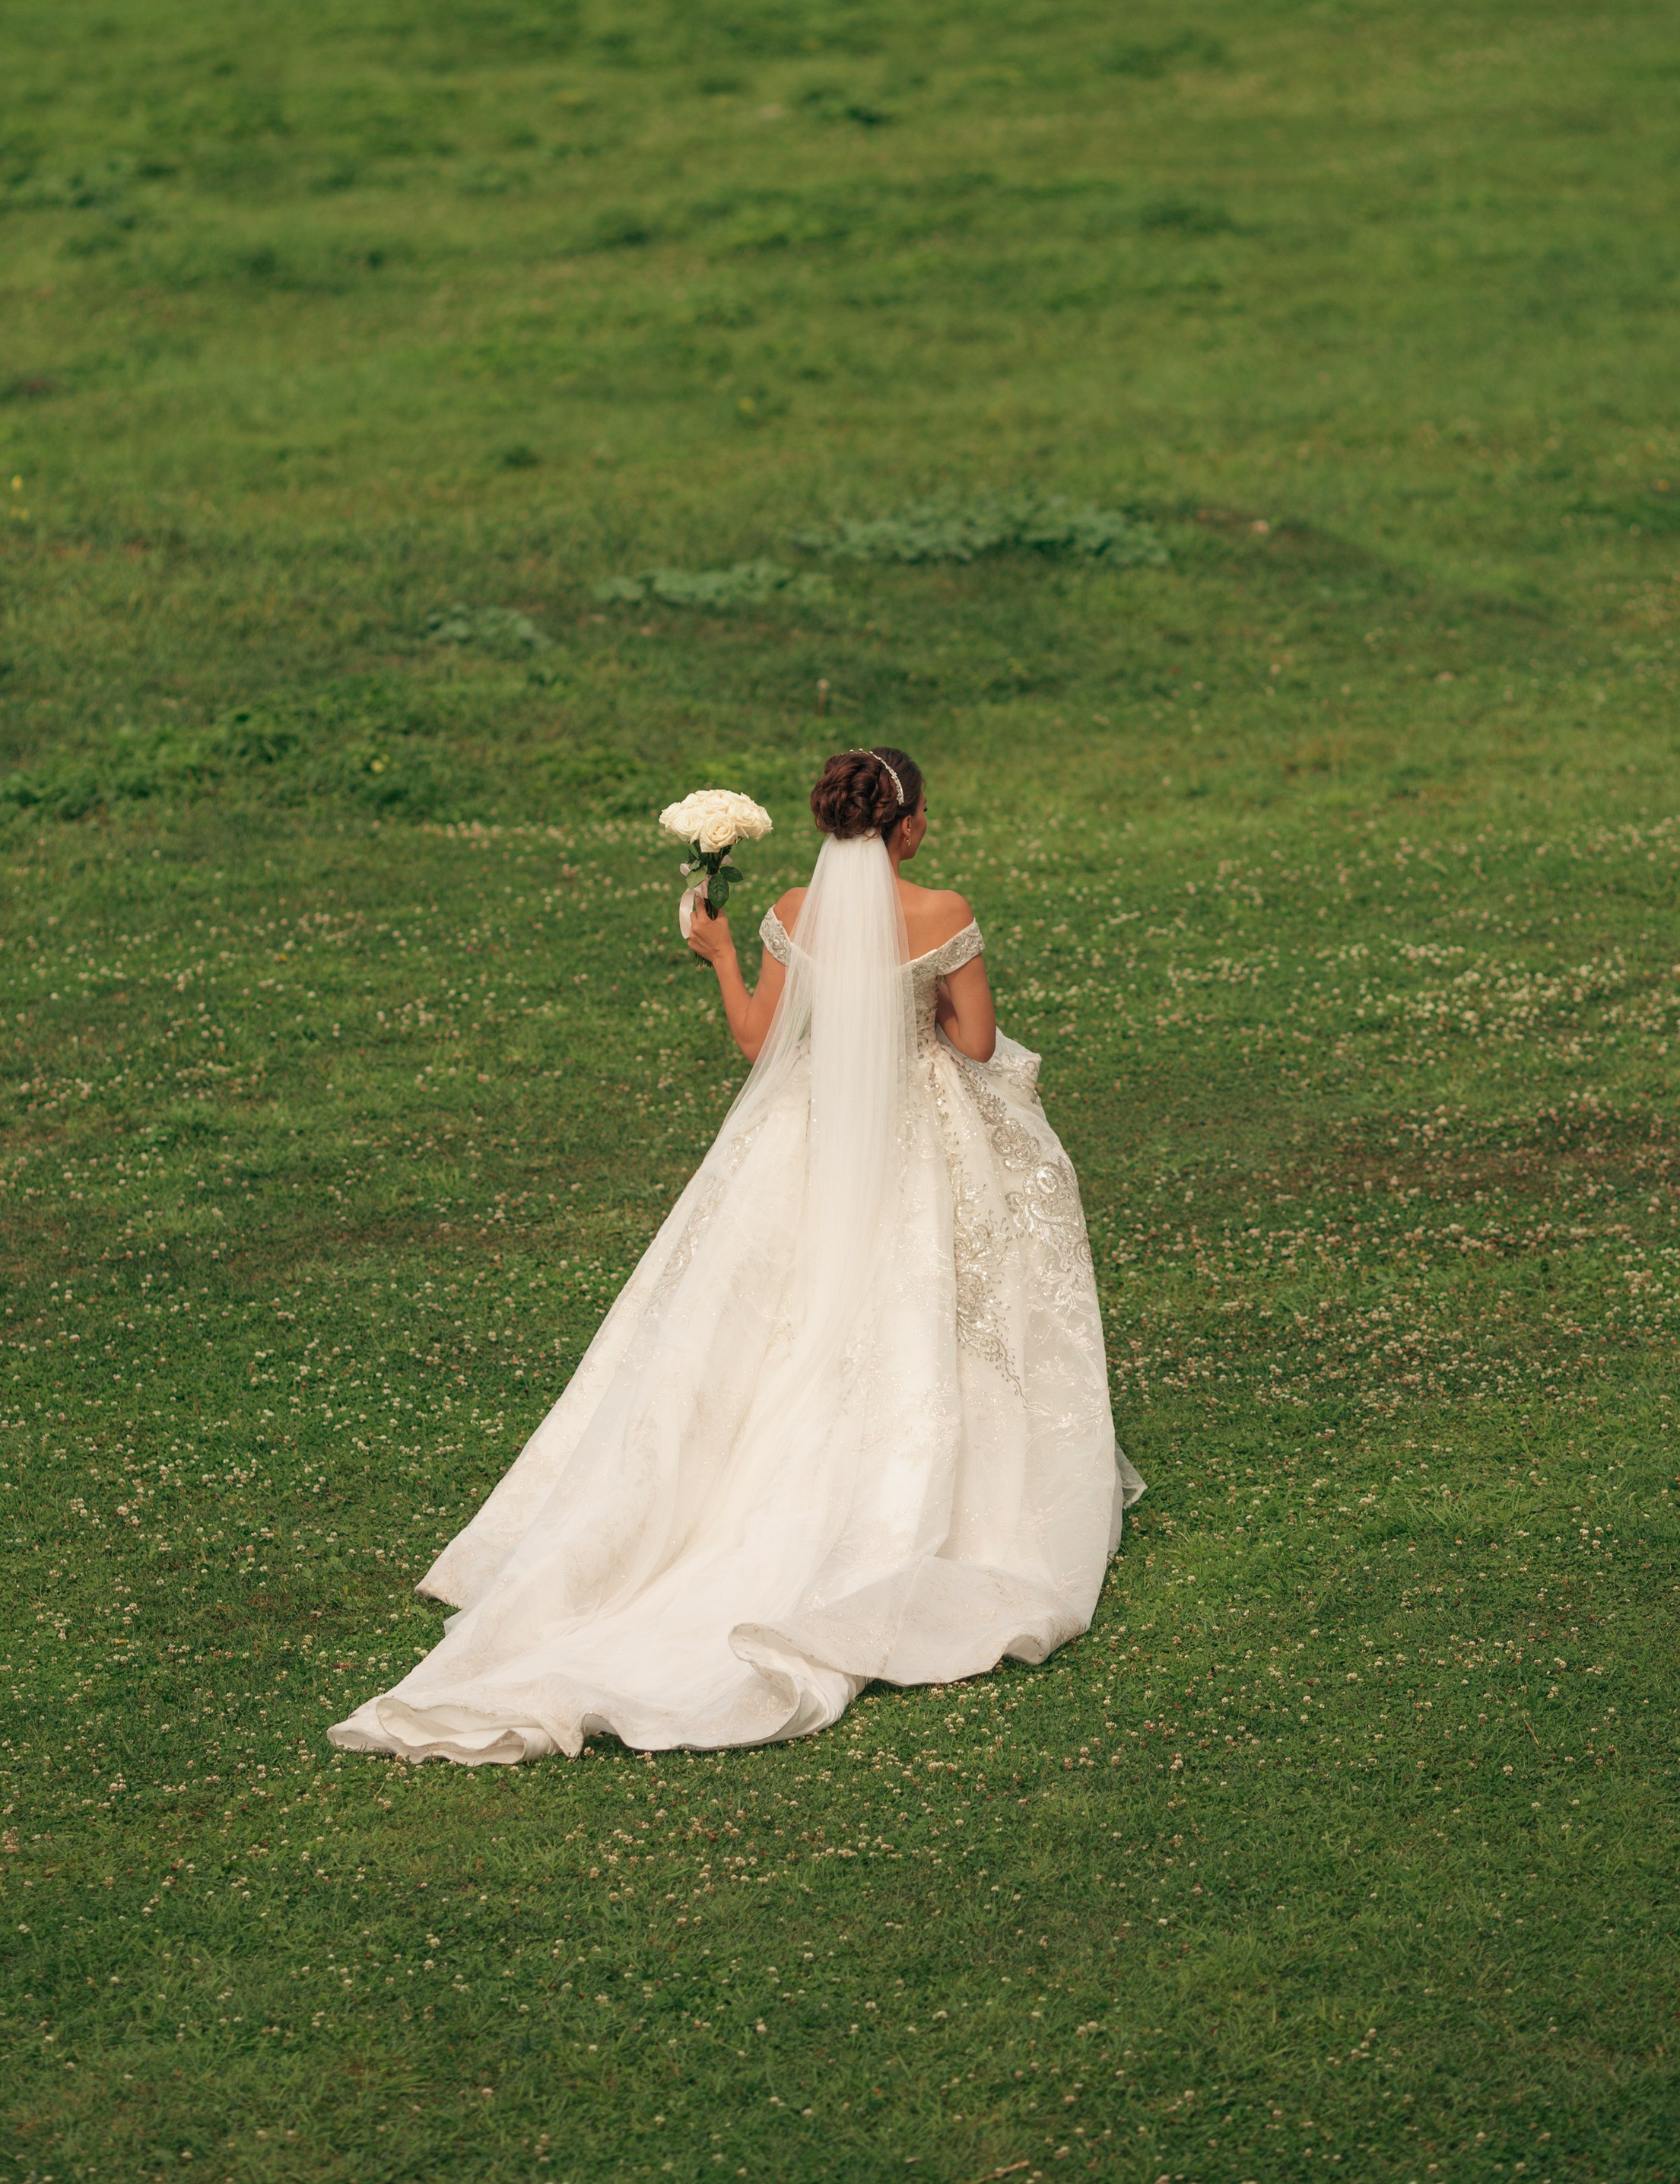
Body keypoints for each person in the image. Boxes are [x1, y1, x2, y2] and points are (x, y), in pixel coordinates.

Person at [330, 745, 1139, 1764]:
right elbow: (974, 1046)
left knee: (758, 1316)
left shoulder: (793, 913)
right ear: (911, 822)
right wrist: (920, 1004)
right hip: (913, 1134)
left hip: (806, 1138)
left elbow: (764, 1044)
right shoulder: (941, 914)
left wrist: (719, 951)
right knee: (926, 1302)